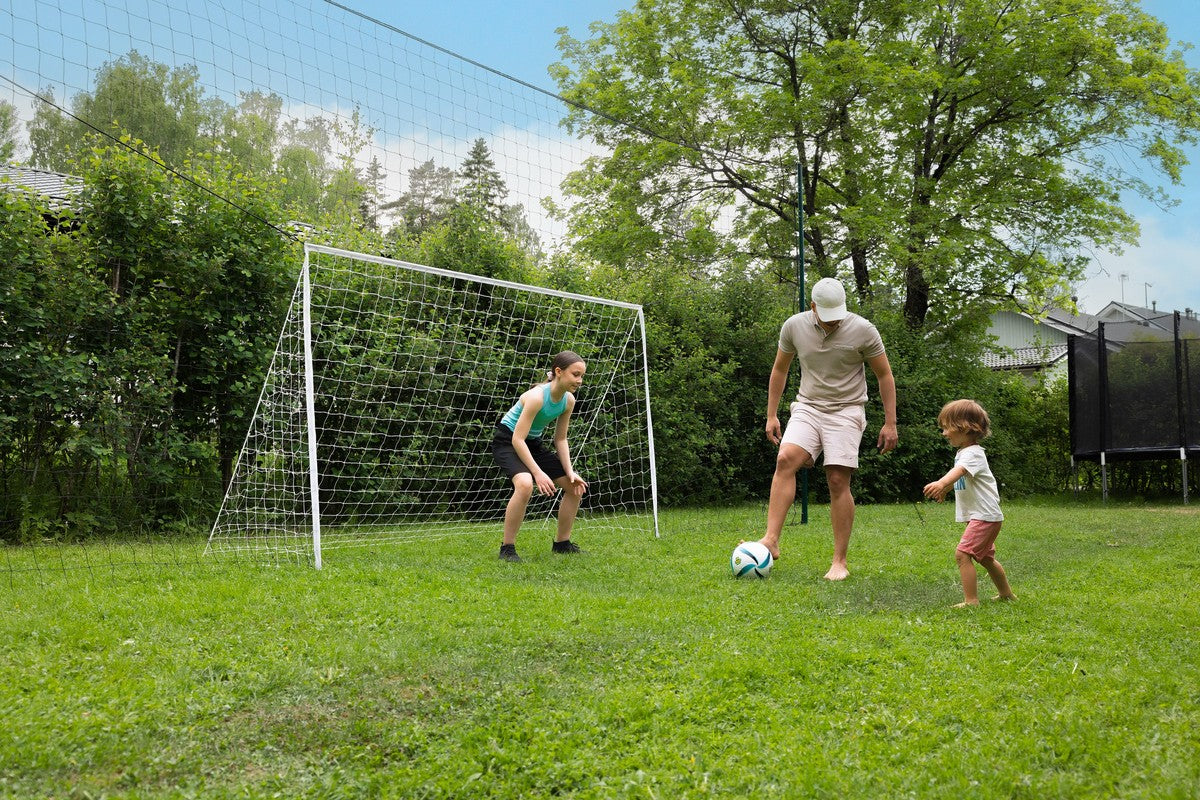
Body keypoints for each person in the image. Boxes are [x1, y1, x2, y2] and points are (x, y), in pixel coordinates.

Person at [758, 277, 898, 580]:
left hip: (847, 410)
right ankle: (771, 540)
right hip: (808, 407)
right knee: (785, 459)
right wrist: (771, 415)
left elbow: (884, 375)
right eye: (827, 317)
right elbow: (780, 369)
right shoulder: (793, 326)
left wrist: (890, 423)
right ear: (812, 307)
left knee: (836, 479)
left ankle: (839, 561)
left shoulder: (863, 330)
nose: (835, 322)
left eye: (838, 316)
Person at [491, 350, 590, 562]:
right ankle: (507, 549)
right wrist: (538, 473)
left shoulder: (568, 401)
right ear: (559, 372)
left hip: (532, 444)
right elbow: (517, 439)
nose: (580, 380)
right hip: (507, 441)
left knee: (575, 487)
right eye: (576, 374)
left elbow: (560, 440)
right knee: (525, 484)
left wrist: (570, 471)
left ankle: (562, 544)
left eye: (582, 376)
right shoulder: (536, 397)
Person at [923, 399, 1016, 607]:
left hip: (983, 516)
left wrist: (941, 483)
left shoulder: (973, 453)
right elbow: (964, 479)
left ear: (964, 427)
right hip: (983, 515)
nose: (944, 433)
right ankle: (1006, 594)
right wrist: (945, 490)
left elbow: (960, 472)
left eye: (947, 427)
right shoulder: (965, 453)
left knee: (962, 555)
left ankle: (971, 600)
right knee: (985, 558)